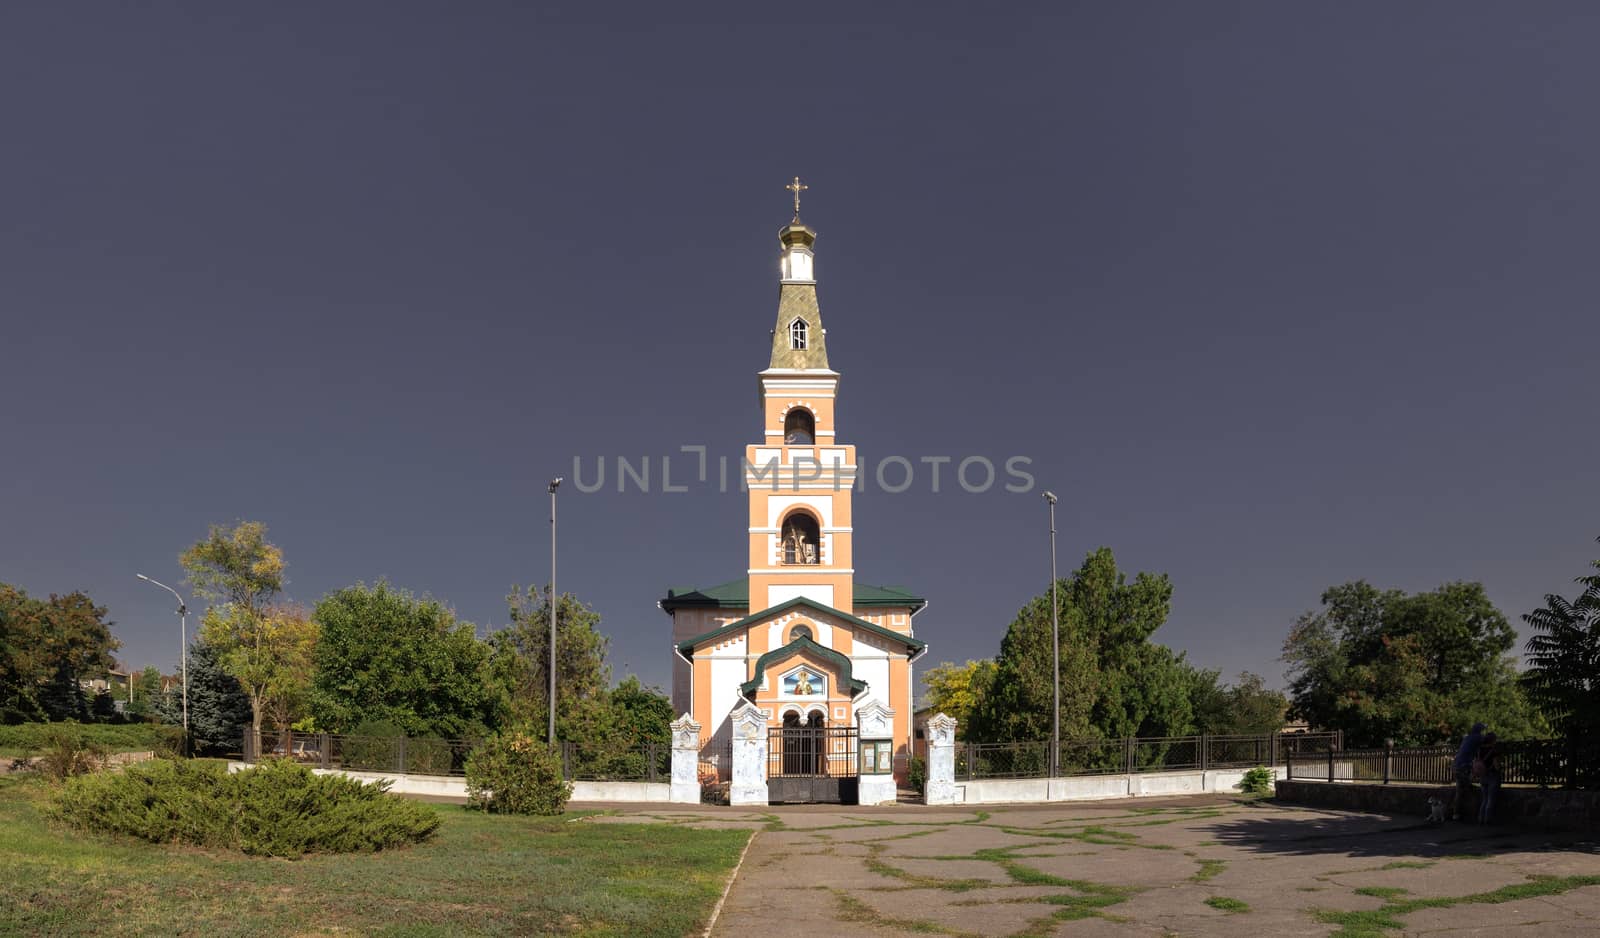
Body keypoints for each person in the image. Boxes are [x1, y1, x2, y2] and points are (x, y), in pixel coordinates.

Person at [1452, 722, 1486, 821]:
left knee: (1460, 790)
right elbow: (1487, 741)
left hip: (1457, 764)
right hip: (1464, 765)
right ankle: (1470, 814)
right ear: (1480, 730)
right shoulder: (1478, 737)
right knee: (1466, 789)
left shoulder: (1467, 737)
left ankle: (1455, 813)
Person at [1476, 733, 1502, 824]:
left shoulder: (1479, 750)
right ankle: (1488, 819)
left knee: (1484, 799)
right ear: (1493, 740)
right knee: (1491, 799)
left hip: (1483, 775)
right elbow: (1496, 765)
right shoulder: (1494, 750)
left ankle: (1480, 818)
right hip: (1492, 775)